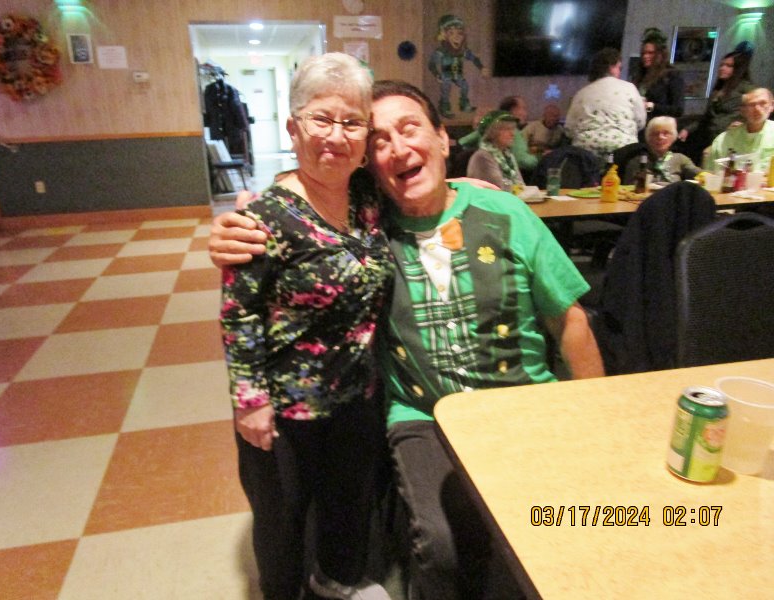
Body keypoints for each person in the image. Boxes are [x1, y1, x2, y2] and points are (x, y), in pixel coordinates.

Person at [211, 79, 605, 600]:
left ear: (443, 138)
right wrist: (247, 216)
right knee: (443, 546)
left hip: (522, 403)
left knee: (578, 520)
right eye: (379, 139)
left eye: (410, 129)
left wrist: (591, 416)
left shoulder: (504, 214)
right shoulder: (368, 230)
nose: (397, 148)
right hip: (422, 416)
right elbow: (308, 191)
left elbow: (570, 320)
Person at [219, 53, 393, 600]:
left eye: (351, 122)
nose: (336, 136)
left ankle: (337, 581)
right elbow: (239, 314)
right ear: (294, 128)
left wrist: (475, 185)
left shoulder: (369, 200)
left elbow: (427, 186)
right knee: (282, 523)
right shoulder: (262, 218)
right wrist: (250, 401)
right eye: (321, 119)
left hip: (355, 395)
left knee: (348, 504)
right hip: (284, 410)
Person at [678, 43, 755, 165]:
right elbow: (706, 117)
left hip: (730, 140)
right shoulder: (718, 89)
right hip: (710, 138)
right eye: (722, 65)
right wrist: (688, 129)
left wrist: (743, 123)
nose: (722, 68)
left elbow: (754, 111)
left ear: (738, 68)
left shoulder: (746, 88)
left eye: (728, 66)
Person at [565, 47, 646, 161]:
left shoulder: (581, 94)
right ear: (611, 66)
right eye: (619, 68)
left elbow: (569, 128)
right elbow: (641, 122)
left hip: (586, 151)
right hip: (623, 148)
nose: (620, 72)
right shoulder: (629, 88)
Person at [706, 87, 774, 173]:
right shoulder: (723, 140)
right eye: (751, 104)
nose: (757, 109)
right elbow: (710, 175)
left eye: (762, 103)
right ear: (742, 110)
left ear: (772, 105)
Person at [623, 116, 700, 184]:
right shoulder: (637, 161)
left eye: (666, 133)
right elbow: (628, 188)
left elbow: (701, 175)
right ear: (648, 137)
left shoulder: (680, 159)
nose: (660, 137)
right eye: (655, 134)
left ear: (673, 136)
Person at [632, 28, 684, 123]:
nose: (645, 56)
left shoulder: (672, 75)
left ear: (660, 54)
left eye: (650, 53)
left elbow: (678, 109)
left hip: (659, 126)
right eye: (644, 53)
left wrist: (652, 106)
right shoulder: (640, 75)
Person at [465, 110, 524, 191]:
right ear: (492, 132)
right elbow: (497, 190)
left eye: (513, 129)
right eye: (507, 129)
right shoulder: (482, 157)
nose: (512, 133)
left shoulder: (508, 155)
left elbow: (521, 185)